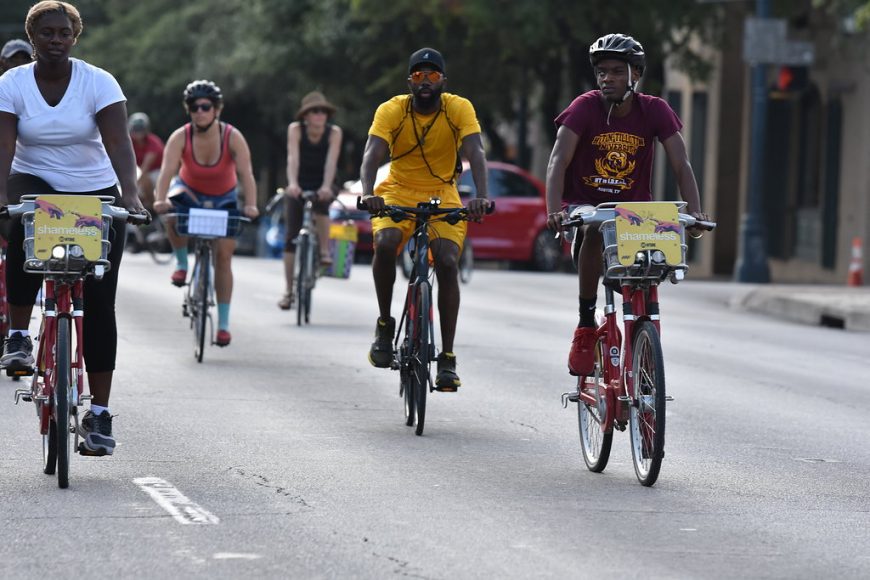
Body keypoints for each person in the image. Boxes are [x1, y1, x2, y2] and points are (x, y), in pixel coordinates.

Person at [0, 1, 146, 455]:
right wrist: (1, 199)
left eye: (64, 32)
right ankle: (20, 336)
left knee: (101, 301)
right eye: (47, 33)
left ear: (75, 37)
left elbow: (118, 142)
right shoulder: (11, 83)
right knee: (25, 226)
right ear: (34, 36)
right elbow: (3, 144)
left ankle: (98, 414)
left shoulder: (99, 82)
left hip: (94, 188)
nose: (56, 40)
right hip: (32, 178)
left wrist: (131, 194)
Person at [545, 33, 709, 377]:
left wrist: (694, 211)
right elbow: (558, 161)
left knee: (648, 273)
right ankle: (586, 324)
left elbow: (682, 163)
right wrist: (554, 210)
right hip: (586, 205)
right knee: (593, 228)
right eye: (602, 71)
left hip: (634, 212)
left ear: (636, 74)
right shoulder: (584, 107)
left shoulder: (655, 110)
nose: (607, 78)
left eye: (617, 71)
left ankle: (644, 344)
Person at [359, 48, 489, 391]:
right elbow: (372, 152)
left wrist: (481, 196)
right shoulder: (392, 109)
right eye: (419, 75)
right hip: (398, 189)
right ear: (409, 82)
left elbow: (475, 151)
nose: (426, 81)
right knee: (385, 244)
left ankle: (446, 358)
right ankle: (386, 324)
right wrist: (368, 192)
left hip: (443, 191)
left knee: (446, 261)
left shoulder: (458, 108)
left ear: (443, 80)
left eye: (432, 75)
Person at [152, 80, 259, 347]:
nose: (199, 111)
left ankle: (223, 325)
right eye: (193, 107)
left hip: (224, 198)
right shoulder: (181, 136)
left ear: (217, 109)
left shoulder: (232, 137)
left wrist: (252, 204)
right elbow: (166, 172)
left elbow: (246, 174)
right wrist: (159, 200)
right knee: (172, 215)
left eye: (205, 106)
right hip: (189, 193)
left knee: (223, 257)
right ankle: (182, 263)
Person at [278, 91, 343, 310]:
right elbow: (292, 158)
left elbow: (331, 162)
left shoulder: (334, 133)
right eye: (315, 111)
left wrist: (325, 186)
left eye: (323, 111)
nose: (320, 115)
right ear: (305, 115)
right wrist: (293, 183)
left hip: (324, 180)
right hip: (300, 181)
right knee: (290, 237)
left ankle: (324, 251)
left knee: (322, 205)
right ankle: (288, 291)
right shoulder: (295, 130)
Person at [128, 112, 164, 210]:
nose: (138, 132)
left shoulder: (154, 142)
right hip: (137, 171)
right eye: (135, 128)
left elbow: (145, 167)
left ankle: (154, 208)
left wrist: (134, 186)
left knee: (145, 181)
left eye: (140, 129)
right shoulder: (129, 142)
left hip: (156, 171)